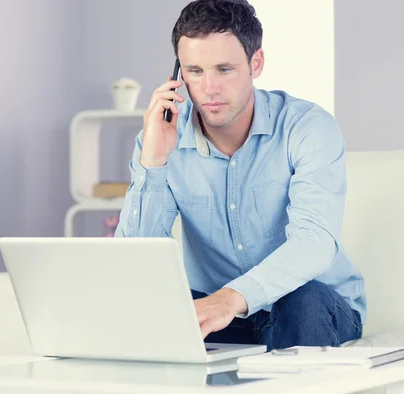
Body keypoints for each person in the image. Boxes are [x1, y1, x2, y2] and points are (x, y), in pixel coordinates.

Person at [115, 0, 366, 351]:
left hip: (311, 308)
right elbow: (134, 264)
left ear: (256, 63)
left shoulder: (307, 127)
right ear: (178, 74)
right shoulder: (160, 138)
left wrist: (232, 297)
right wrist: (154, 161)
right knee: (144, 308)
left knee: (302, 301)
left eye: (224, 69)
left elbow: (314, 243)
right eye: (195, 71)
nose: (210, 88)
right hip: (218, 314)